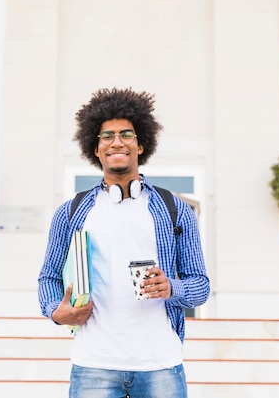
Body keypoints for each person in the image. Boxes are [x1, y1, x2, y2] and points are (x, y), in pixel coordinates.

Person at [38, 87, 210, 398]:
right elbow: (48, 277)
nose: (117, 141)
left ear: (141, 144)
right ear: (96, 149)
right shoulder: (72, 212)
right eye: (107, 136)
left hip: (160, 364)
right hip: (93, 365)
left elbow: (200, 286)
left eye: (126, 134)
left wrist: (172, 287)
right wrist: (55, 312)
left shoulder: (174, 209)